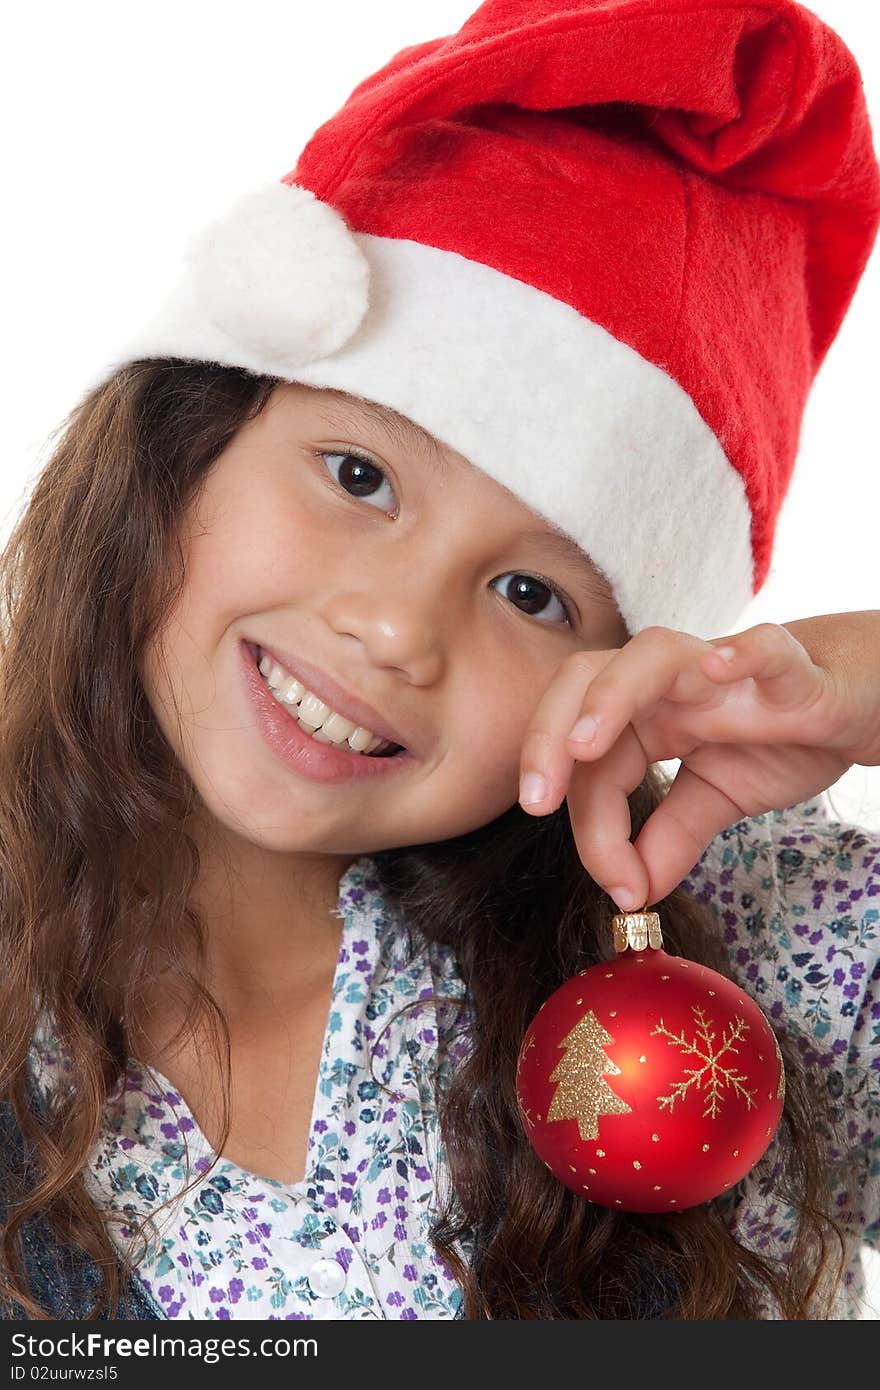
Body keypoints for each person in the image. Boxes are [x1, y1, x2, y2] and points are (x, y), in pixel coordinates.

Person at [1, 0, 878, 1322]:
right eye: (357, 474)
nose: (401, 628)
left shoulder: (752, 957)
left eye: (533, 592)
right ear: (186, 443)